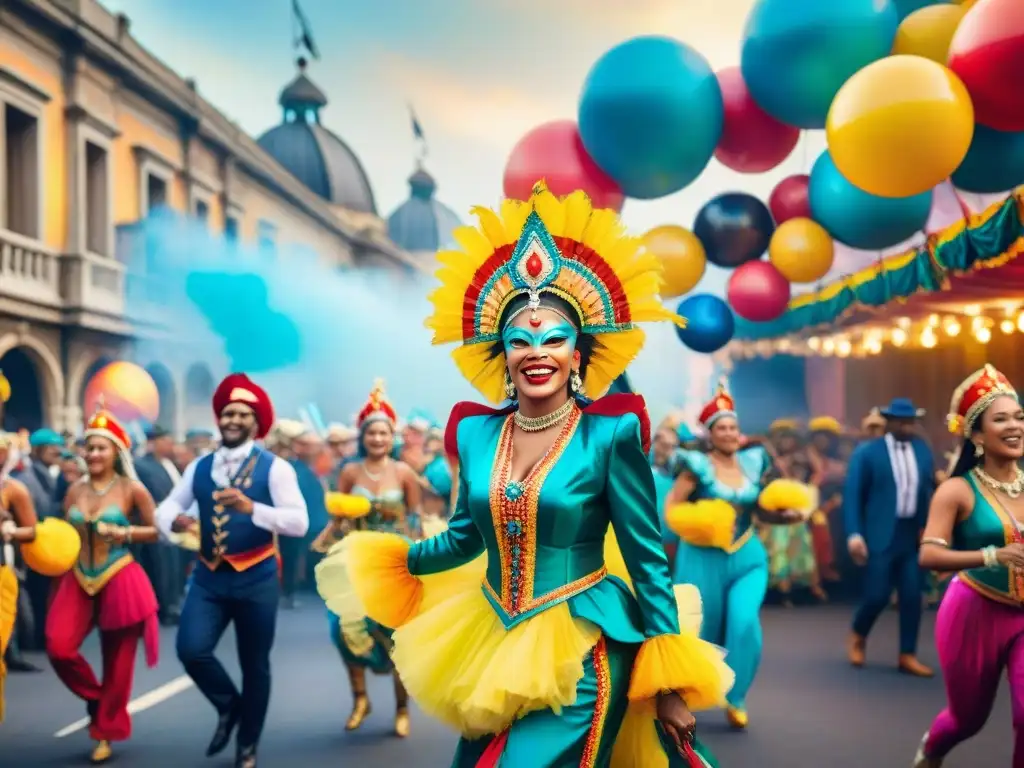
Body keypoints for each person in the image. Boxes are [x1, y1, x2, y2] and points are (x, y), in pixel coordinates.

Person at [317, 183, 733, 767]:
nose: (537, 351)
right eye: (520, 339)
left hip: (586, 643)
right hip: (495, 637)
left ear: (578, 355)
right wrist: (400, 562)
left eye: (554, 337)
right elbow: (466, 534)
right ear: (503, 355)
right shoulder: (477, 434)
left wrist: (666, 682)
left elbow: (646, 558)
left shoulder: (609, 436)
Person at [155, 373, 308, 768]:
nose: (234, 419)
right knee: (191, 649)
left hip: (256, 577)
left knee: (254, 663)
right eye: (227, 412)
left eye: (242, 413)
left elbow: (299, 523)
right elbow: (168, 506)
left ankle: (248, 743)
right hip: (208, 576)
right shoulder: (199, 467)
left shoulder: (275, 468)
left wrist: (251, 509)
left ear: (255, 423)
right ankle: (230, 706)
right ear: (219, 419)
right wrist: (173, 522)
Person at [663, 385, 806, 729]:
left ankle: (737, 696)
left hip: (747, 554)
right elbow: (672, 510)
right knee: (701, 629)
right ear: (710, 434)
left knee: (744, 622)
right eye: (721, 427)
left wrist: (784, 515)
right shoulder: (694, 466)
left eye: (732, 426)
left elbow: (761, 510)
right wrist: (700, 523)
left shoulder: (753, 462)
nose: (729, 433)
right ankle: (686, 695)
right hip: (702, 556)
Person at [914, 365, 1024, 768]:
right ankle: (932, 749)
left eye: (1019, 417)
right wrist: (992, 555)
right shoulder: (957, 490)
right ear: (977, 435)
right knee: (967, 718)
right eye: (1001, 419)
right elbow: (929, 556)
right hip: (974, 611)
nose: (1014, 426)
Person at [45, 408, 160, 764]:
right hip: (78, 575)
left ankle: (105, 731)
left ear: (116, 452)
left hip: (119, 574)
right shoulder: (74, 489)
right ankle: (97, 698)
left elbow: (156, 531)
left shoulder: (132, 488)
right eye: (89, 447)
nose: (93, 454)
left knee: (118, 659)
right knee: (58, 645)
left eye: (101, 448)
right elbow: (65, 534)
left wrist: (125, 531)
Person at [312, 381, 422, 736]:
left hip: (394, 561)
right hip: (355, 558)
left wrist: (423, 559)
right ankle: (360, 699)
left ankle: (402, 708)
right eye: (372, 433)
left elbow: (415, 518)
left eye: (383, 433)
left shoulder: (405, 473)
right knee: (343, 628)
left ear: (393, 437)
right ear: (363, 436)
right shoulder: (349, 471)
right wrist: (326, 536)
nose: (377, 439)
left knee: (398, 634)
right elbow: (339, 515)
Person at [844, 397, 934, 677]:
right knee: (877, 595)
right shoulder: (868, 452)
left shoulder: (922, 451)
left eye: (910, 422)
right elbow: (853, 495)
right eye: (900, 421)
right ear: (889, 422)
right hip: (879, 532)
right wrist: (854, 533)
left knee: (911, 595)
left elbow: (928, 490)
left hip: (911, 532)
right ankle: (859, 633)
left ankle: (907, 654)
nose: (906, 426)